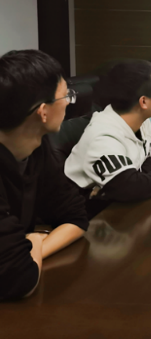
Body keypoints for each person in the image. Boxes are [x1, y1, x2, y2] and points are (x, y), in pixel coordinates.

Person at [0, 50, 89, 300]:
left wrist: (32, 249)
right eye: (66, 96)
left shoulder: (38, 148)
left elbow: (76, 217)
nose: (69, 103)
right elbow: (18, 281)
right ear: (43, 111)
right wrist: (34, 241)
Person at [65, 60, 151, 204]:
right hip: (87, 207)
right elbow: (128, 188)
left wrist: (136, 178)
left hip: (115, 200)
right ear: (143, 102)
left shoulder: (142, 120)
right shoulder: (103, 136)